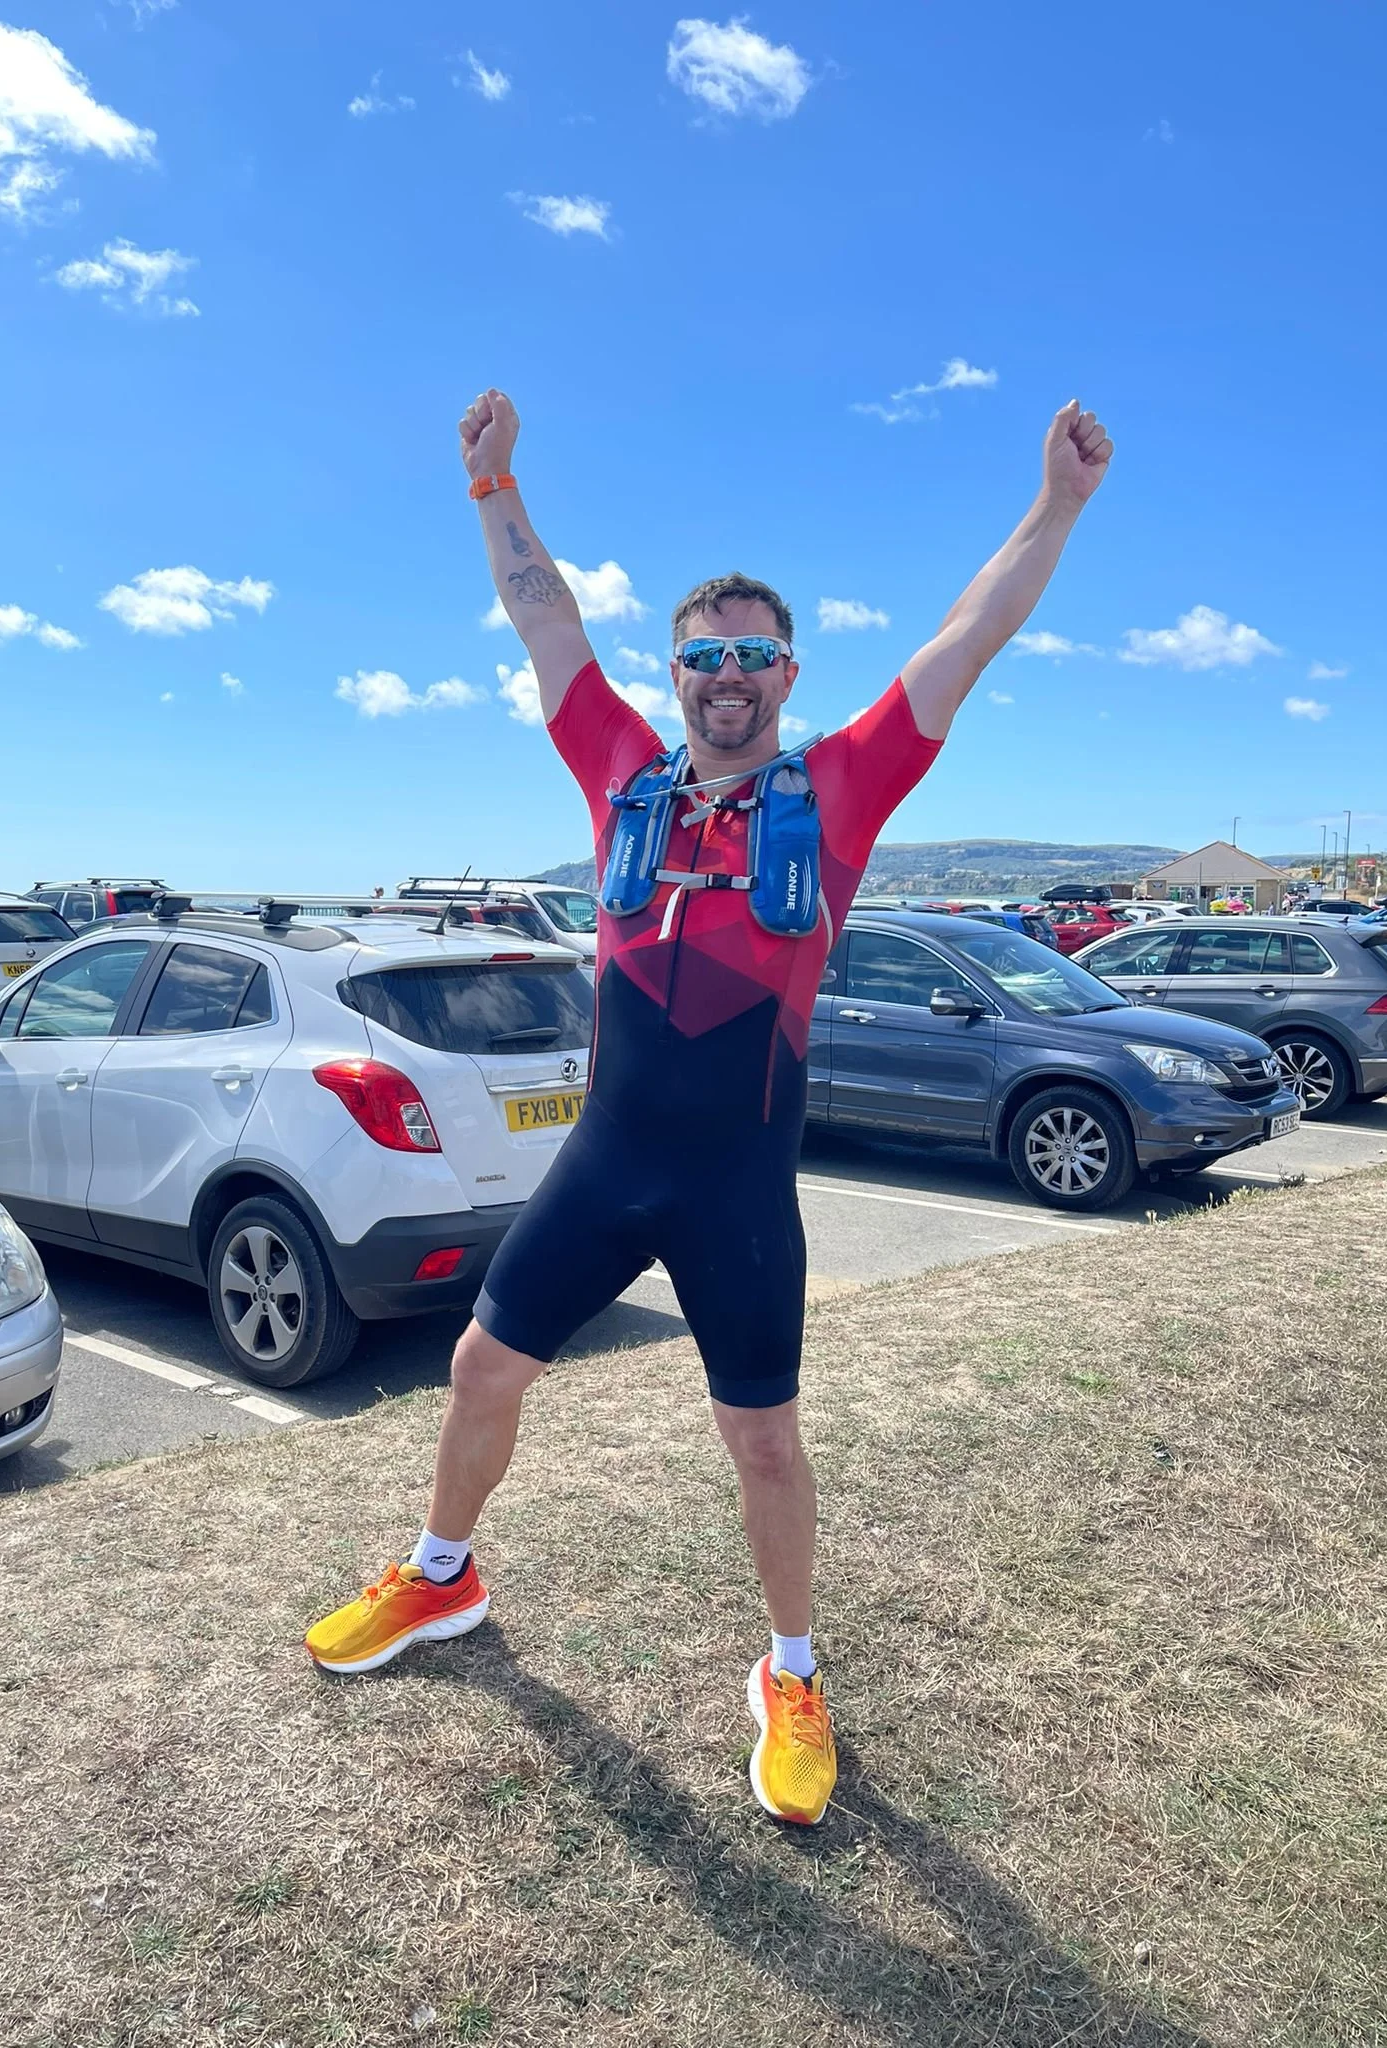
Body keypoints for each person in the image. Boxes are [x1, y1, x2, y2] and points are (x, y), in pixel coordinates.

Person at [306, 387, 1114, 1825]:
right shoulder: (621, 772)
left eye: (749, 655)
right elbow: (544, 617)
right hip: (611, 1160)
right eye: (702, 657)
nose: (725, 676)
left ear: (785, 672)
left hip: (741, 1181)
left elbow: (969, 638)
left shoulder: (847, 786)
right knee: (485, 1369)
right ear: (674, 674)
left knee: (763, 1438)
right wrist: (494, 489)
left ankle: (792, 1673)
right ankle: (442, 1579)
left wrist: (1055, 506)